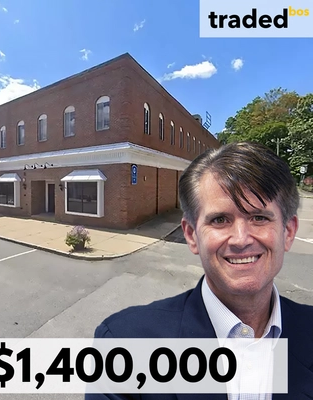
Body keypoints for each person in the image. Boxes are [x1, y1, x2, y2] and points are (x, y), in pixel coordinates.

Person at [86, 142, 313, 399]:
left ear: (288, 232)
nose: (241, 239)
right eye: (220, 220)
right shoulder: (124, 345)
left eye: (259, 218)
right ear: (192, 235)